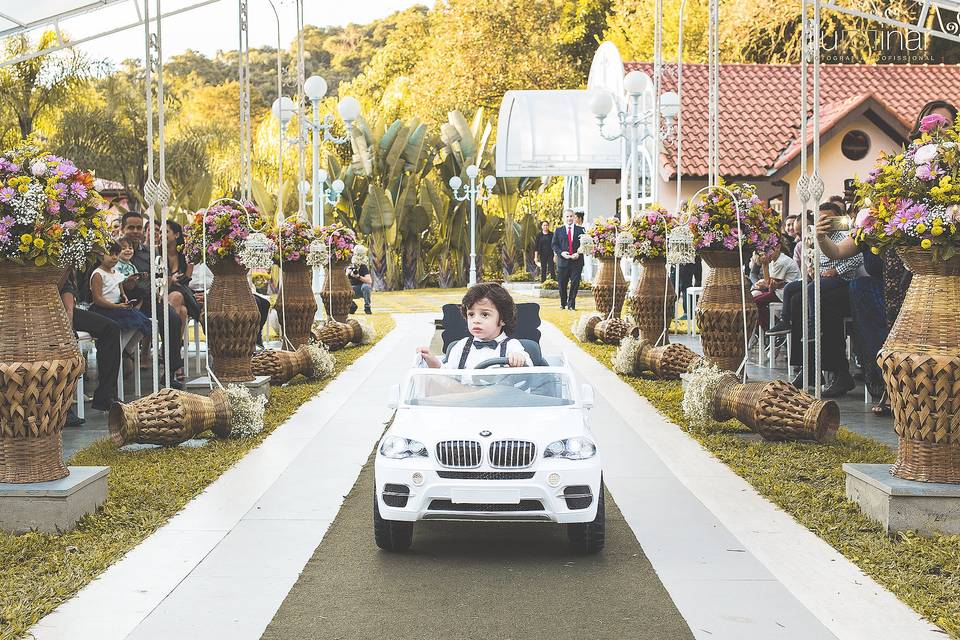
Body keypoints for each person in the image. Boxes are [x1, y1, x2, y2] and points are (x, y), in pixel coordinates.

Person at [121, 210, 185, 386]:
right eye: (130, 227)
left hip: (149, 300)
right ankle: (127, 356)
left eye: (138, 228)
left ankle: (170, 372)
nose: (135, 231)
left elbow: (157, 278)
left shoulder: (149, 252)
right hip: (123, 303)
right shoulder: (115, 251)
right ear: (122, 228)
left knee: (173, 317)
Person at [417, 282, 531, 369]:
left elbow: (529, 371)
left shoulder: (512, 346)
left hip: (499, 399)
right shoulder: (461, 347)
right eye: (471, 314)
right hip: (465, 399)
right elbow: (448, 376)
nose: (476, 320)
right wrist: (433, 362)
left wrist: (518, 359)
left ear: (503, 319)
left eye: (485, 315)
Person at [60, 269, 122, 416]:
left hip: (63, 306)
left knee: (111, 328)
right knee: (63, 337)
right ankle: (61, 405)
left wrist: (69, 313)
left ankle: (106, 395)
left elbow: (65, 286)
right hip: (37, 310)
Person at [89, 241, 153, 338]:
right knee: (132, 320)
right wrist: (116, 306)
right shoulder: (98, 274)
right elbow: (97, 299)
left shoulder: (117, 273)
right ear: (100, 255)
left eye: (116, 254)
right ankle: (121, 348)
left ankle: (128, 350)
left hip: (117, 306)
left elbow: (120, 289)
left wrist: (125, 298)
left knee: (144, 321)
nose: (114, 257)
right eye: (110, 254)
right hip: (103, 310)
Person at [751, 242, 800, 329]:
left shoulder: (781, 262)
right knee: (753, 300)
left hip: (785, 294)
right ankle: (768, 325)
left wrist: (765, 265)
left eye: (769, 251)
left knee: (755, 302)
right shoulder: (774, 260)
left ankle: (769, 327)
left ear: (778, 247)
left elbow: (769, 283)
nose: (767, 254)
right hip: (778, 290)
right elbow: (769, 283)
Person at [552, 208, 586, 310]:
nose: (569, 218)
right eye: (567, 216)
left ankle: (571, 304)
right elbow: (554, 245)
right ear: (564, 218)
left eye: (571, 216)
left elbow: (585, 244)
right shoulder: (558, 230)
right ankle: (563, 303)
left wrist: (578, 253)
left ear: (574, 217)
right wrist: (561, 253)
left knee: (575, 283)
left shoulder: (581, 230)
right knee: (562, 283)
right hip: (563, 261)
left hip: (577, 261)